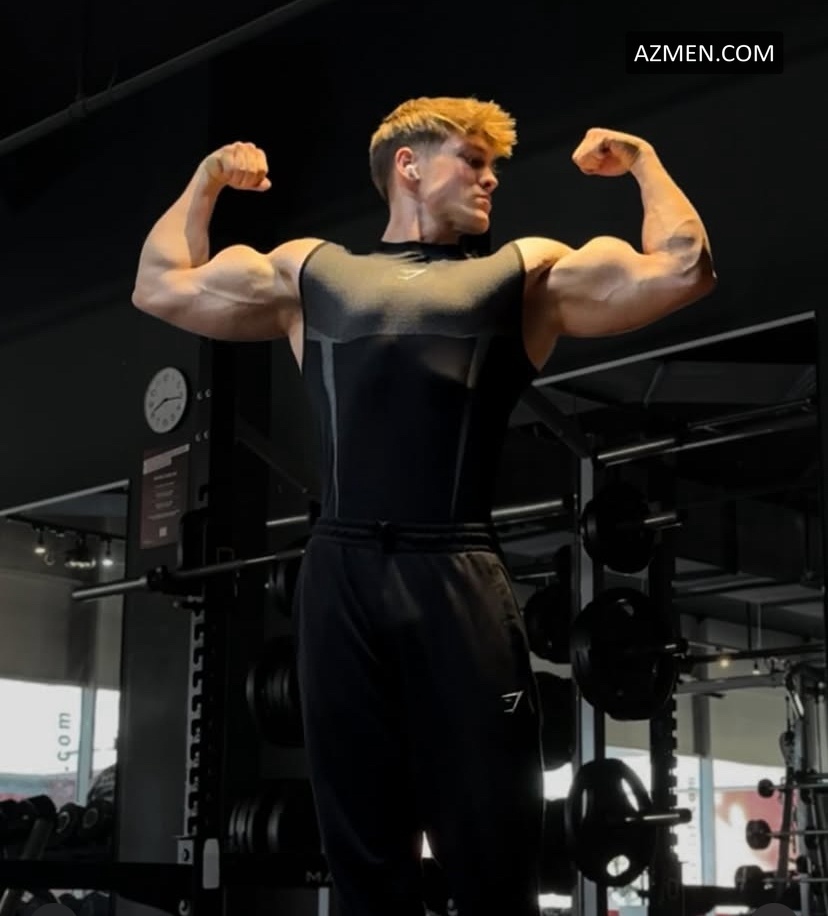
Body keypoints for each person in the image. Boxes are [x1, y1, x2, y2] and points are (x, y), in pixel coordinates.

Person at [132, 96, 716, 916]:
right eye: (472, 160)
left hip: (457, 578)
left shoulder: (521, 275)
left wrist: (644, 161)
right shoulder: (311, 273)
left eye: (494, 166)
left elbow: (685, 269)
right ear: (407, 166)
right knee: (364, 858)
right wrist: (205, 180)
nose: (491, 179)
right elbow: (159, 285)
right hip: (339, 577)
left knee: (495, 846)